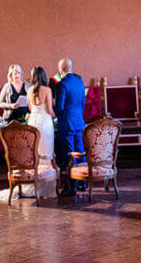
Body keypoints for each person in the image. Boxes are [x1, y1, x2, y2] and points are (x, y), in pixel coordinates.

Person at [54, 57, 86, 196]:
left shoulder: (62, 83)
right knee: (80, 151)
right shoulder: (80, 81)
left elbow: (59, 107)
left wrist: (55, 116)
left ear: (61, 69)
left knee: (69, 154)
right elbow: (83, 103)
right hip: (79, 121)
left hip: (66, 123)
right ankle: (82, 183)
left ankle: (71, 186)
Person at [26, 65, 56, 165]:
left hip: (32, 122)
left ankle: (34, 172)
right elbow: (50, 110)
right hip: (45, 122)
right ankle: (47, 173)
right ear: (43, 76)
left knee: (34, 148)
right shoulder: (47, 90)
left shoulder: (29, 90)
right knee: (45, 148)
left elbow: (31, 109)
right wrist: (56, 116)